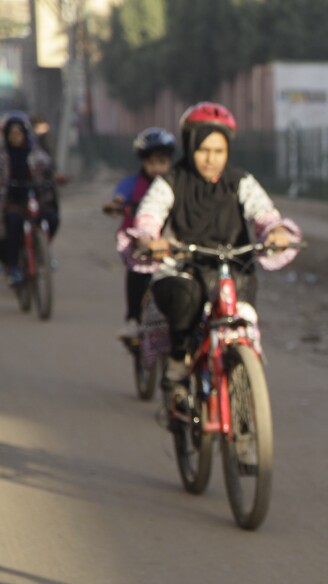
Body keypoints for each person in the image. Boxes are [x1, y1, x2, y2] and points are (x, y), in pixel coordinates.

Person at [121, 102, 301, 399]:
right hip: (182, 268)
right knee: (183, 299)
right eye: (204, 150)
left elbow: (264, 212)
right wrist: (149, 239)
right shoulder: (171, 182)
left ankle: (240, 382)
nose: (211, 159)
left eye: (219, 151)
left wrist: (276, 232)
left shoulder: (240, 181)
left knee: (242, 314)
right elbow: (150, 214)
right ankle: (178, 366)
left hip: (231, 267)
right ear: (190, 146)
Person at [103, 127, 176, 339]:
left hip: (171, 241)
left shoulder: (177, 183)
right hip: (140, 244)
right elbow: (119, 197)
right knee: (137, 272)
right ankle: (133, 318)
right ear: (143, 162)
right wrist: (116, 205)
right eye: (152, 162)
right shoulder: (132, 183)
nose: (157, 168)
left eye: (162, 162)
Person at [0, 111, 60, 285]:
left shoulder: (37, 154)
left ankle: (43, 252)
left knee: (52, 218)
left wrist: (55, 178)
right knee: (12, 223)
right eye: (12, 134)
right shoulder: (3, 157)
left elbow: (49, 170)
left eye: (19, 133)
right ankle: (13, 266)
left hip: (36, 199)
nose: (15, 137)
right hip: (12, 201)